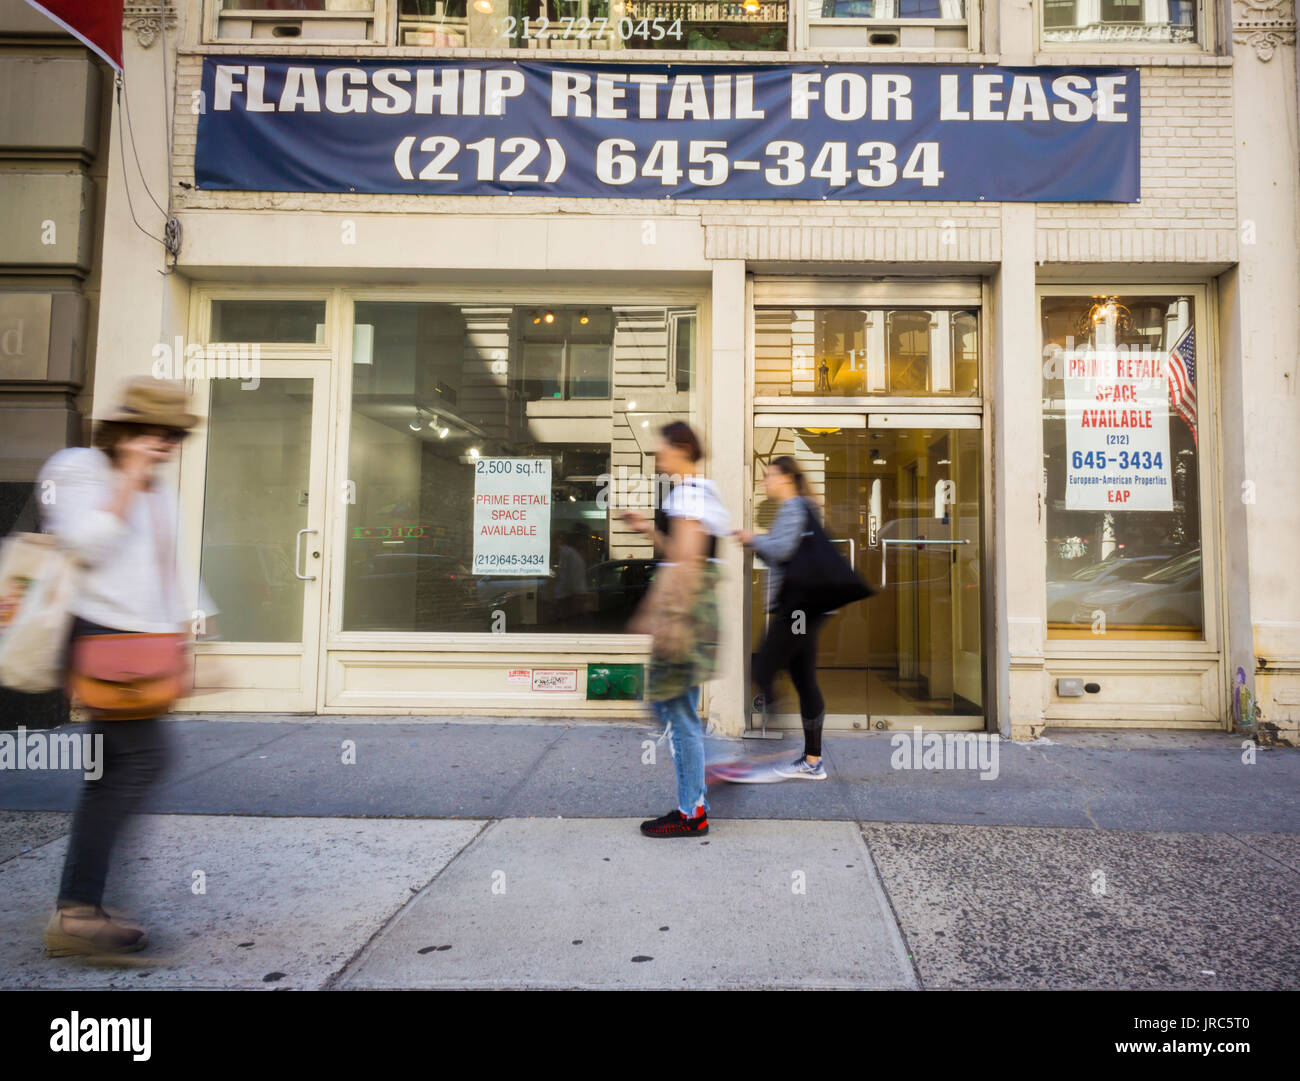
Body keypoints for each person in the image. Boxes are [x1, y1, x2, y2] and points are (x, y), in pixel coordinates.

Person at [39, 377, 211, 957]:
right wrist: (130, 480)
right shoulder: (77, 468)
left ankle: (80, 906)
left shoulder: (158, 490)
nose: (168, 444)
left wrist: (196, 626)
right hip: (102, 642)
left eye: (176, 435)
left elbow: (170, 562)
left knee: (111, 774)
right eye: (158, 432)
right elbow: (86, 546)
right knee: (139, 763)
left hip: (144, 644)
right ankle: (78, 915)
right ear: (126, 429)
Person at [622, 421, 731, 837]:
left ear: (682, 447)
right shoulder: (702, 492)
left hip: (686, 609)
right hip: (695, 609)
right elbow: (686, 555)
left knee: (674, 710)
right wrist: (649, 529)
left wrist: (658, 615)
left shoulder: (688, 494)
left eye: (661, 450)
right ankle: (701, 788)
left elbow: (685, 564)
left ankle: (692, 812)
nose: (657, 457)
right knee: (670, 706)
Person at [735, 456, 829, 781]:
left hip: (797, 610)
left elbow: (783, 549)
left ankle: (777, 748)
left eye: (769, 475)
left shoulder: (795, 508)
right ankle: (811, 760)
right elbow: (783, 552)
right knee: (804, 680)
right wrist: (760, 544)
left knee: (762, 668)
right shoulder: (801, 508)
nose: (765, 481)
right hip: (802, 608)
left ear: (786, 477)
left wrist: (752, 539)